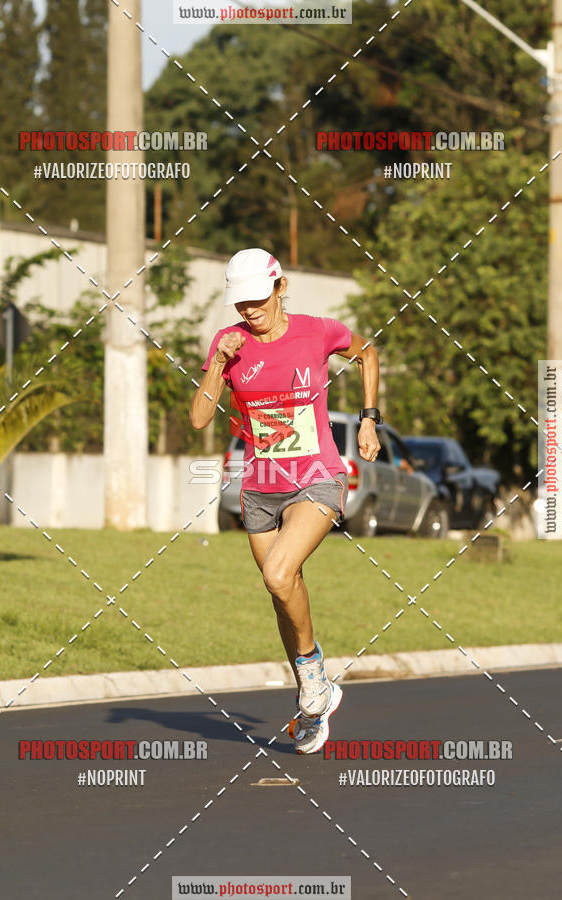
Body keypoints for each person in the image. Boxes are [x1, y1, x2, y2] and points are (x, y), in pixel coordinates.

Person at [190, 248, 381, 754]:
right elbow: (198, 419)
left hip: (317, 478)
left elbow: (367, 352)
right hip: (259, 487)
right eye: (239, 302)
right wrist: (219, 366)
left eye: (257, 299)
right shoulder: (229, 344)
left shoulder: (318, 332)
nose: (248, 311)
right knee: (282, 590)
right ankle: (312, 697)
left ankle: (314, 682)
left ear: (281, 287)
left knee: (278, 572)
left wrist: (367, 417)